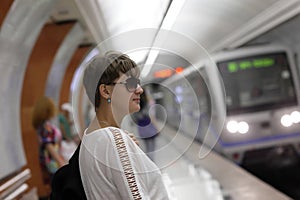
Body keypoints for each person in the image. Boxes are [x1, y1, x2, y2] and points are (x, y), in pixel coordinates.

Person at [80, 51, 169, 199]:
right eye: (131, 84)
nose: (140, 89)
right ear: (106, 91)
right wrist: (120, 143)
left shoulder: (89, 138)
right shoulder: (113, 140)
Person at [32, 96, 66, 184]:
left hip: (55, 163)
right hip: (53, 165)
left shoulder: (45, 125)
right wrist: (61, 163)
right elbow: (49, 147)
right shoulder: (44, 128)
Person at [133, 90, 159, 161]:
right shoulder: (149, 104)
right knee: (152, 148)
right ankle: (152, 163)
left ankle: (148, 162)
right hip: (150, 127)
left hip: (141, 129)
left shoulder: (136, 105)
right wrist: (157, 128)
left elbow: (134, 119)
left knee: (147, 147)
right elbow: (152, 116)